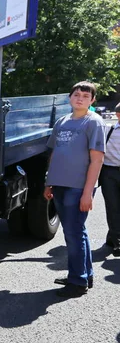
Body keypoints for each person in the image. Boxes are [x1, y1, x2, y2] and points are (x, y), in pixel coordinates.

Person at [46, 81, 105, 298]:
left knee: (73, 234)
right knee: (76, 233)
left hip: (77, 188)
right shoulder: (62, 121)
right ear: (70, 97)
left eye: (85, 96)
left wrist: (88, 192)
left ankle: (77, 282)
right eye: (77, 94)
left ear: (92, 101)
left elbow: (97, 160)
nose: (80, 98)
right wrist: (48, 182)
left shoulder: (94, 122)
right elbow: (54, 154)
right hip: (60, 185)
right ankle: (83, 275)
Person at [99, 102, 120, 257]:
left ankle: (112, 238)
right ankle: (117, 241)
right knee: (113, 207)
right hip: (109, 172)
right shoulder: (109, 129)